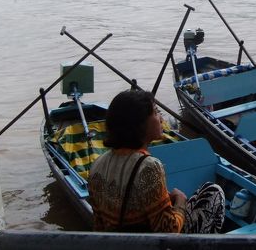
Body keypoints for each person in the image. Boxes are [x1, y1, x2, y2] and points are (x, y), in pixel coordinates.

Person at [87, 90, 225, 233]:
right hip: (148, 244)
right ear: (138, 124)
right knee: (213, 191)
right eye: (155, 112)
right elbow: (168, 231)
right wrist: (181, 202)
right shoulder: (148, 167)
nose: (160, 118)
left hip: (117, 243)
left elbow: (98, 225)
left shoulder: (97, 165)